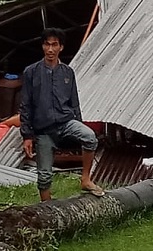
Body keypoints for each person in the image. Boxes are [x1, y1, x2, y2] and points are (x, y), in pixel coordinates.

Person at [20, 27, 104, 201]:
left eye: (54, 45)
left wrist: (78, 125)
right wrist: (27, 135)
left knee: (89, 137)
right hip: (43, 129)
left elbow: (74, 102)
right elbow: (25, 105)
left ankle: (86, 179)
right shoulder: (31, 72)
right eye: (47, 44)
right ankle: (47, 207)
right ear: (43, 46)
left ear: (61, 47)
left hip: (66, 122)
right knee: (44, 176)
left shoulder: (67, 72)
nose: (50, 49)